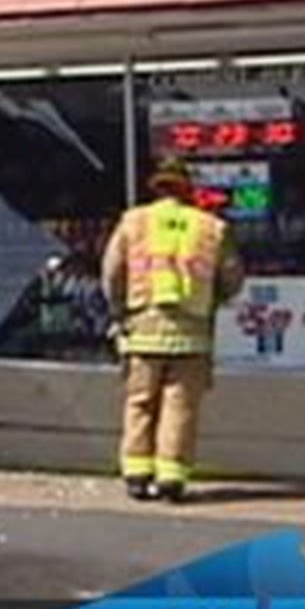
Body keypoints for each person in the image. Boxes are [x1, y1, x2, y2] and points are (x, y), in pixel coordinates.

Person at [102, 158, 246, 504]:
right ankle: (171, 478)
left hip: (142, 329)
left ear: (157, 187)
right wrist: (212, 300)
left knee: (140, 402)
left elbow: (111, 273)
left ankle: (137, 474)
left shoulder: (133, 222)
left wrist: (120, 309)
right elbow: (232, 278)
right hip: (192, 334)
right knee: (179, 407)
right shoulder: (211, 227)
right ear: (187, 190)